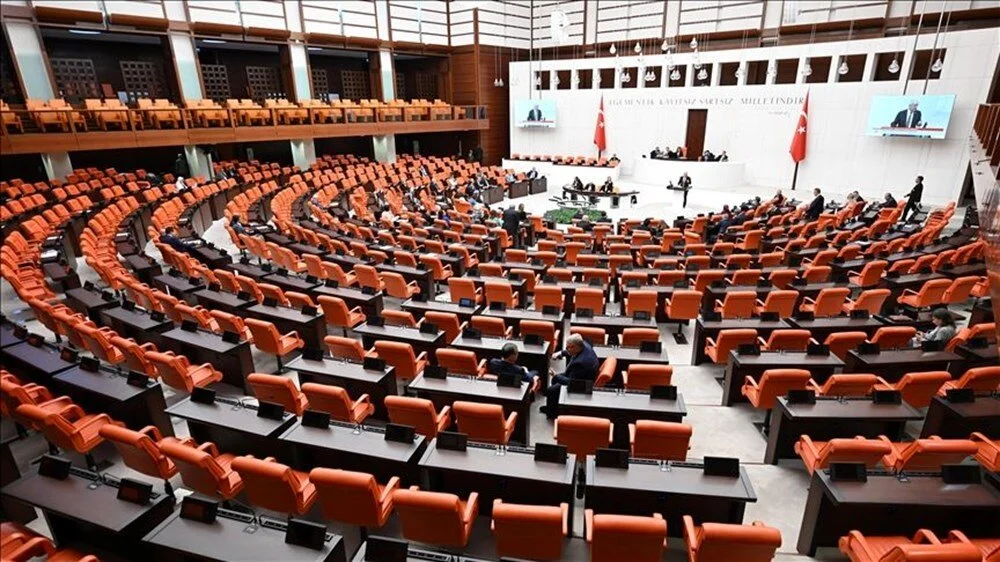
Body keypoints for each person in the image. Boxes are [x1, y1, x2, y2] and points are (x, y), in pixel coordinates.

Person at [541, 334, 599, 419]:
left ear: (576, 347)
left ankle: (552, 414)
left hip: (582, 385)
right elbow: (569, 351)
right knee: (555, 380)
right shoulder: (584, 344)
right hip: (579, 375)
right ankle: (553, 406)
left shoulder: (581, 363)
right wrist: (561, 353)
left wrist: (555, 375)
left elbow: (571, 382)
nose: (567, 349)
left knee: (551, 390)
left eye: (569, 347)